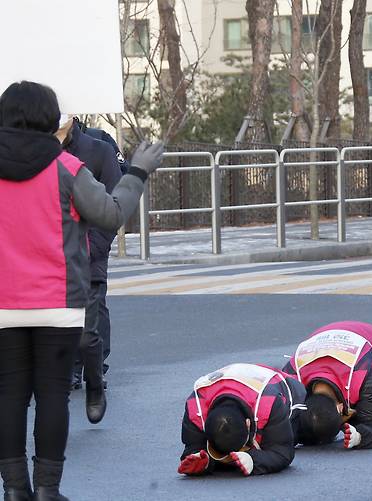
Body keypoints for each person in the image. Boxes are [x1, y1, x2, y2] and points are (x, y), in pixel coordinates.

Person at [0, 80, 163, 501]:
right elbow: (110, 214)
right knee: (53, 395)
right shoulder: (67, 168)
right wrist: (138, 172)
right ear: (50, 119)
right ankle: (47, 491)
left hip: (2, 306)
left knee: (10, 396)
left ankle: (15, 490)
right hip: (59, 304)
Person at [56, 116, 122, 424]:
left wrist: (93, 246)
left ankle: (94, 372)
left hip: (90, 251)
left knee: (90, 322)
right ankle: (67, 370)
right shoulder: (36, 154)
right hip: (50, 255)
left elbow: (113, 204)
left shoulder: (97, 149)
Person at [178, 363, 306, 477]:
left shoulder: (270, 403)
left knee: (314, 425)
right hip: (232, 380)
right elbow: (192, 446)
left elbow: (283, 451)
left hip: (283, 384)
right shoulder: (196, 407)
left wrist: (253, 460)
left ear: (248, 424)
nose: (229, 458)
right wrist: (202, 460)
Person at [282, 321, 372, 450]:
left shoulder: (360, 374)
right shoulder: (291, 379)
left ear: (341, 408)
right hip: (324, 336)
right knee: (316, 424)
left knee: (365, 413)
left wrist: (359, 436)